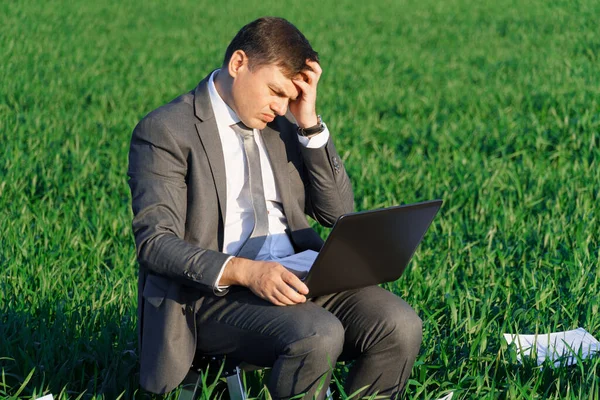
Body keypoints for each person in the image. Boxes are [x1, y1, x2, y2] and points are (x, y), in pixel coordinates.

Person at [128, 16, 422, 399]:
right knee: (318, 333)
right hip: (212, 295)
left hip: (300, 276)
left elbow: (336, 214)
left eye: (291, 97)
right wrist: (246, 272)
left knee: (400, 324)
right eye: (275, 91)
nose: (282, 106)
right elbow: (155, 243)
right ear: (238, 64)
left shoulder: (284, 125)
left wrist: (309, 125)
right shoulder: (166, 130)